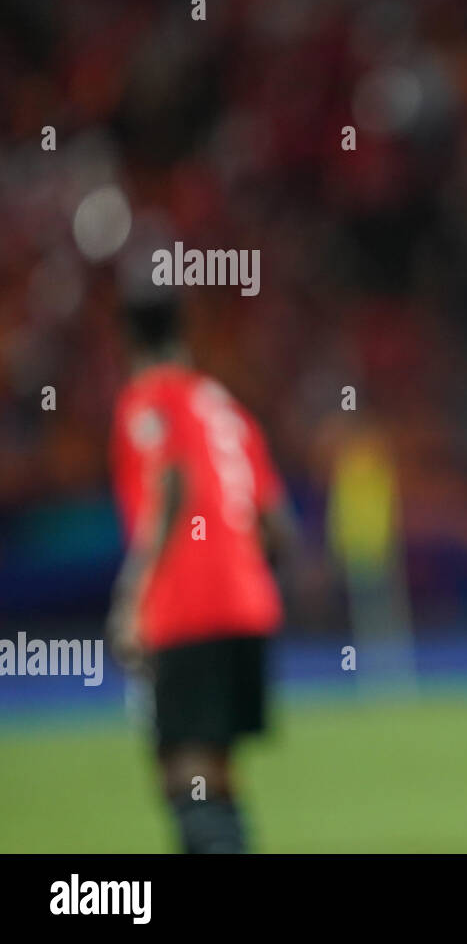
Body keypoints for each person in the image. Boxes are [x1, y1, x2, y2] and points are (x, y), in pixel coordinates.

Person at [108, 297, 296, 853]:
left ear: (128, 342)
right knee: (213, 771)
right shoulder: (224, 407)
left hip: (187, 610)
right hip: (249, 608)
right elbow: (280, 528)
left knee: (181, 771)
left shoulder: (148, 398)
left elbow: (170, 484)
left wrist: (131, 598)